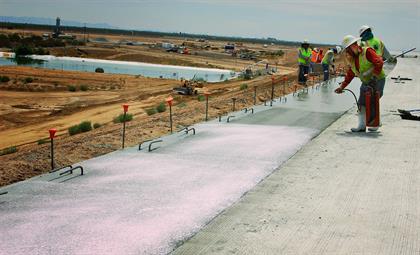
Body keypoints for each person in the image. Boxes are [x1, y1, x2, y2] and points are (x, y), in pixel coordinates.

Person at [335, 35, 385, 132]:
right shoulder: (353, 60)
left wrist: (374, 77)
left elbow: (379, 62)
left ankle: (375, 123)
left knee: (372, 100)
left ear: (354, 46)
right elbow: (350, 75)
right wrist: (342, 87)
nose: (347, 53)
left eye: (348, 50)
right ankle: (361, 126)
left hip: (378, 79)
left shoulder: (367, 51)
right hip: (366, 81)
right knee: (361, 102)